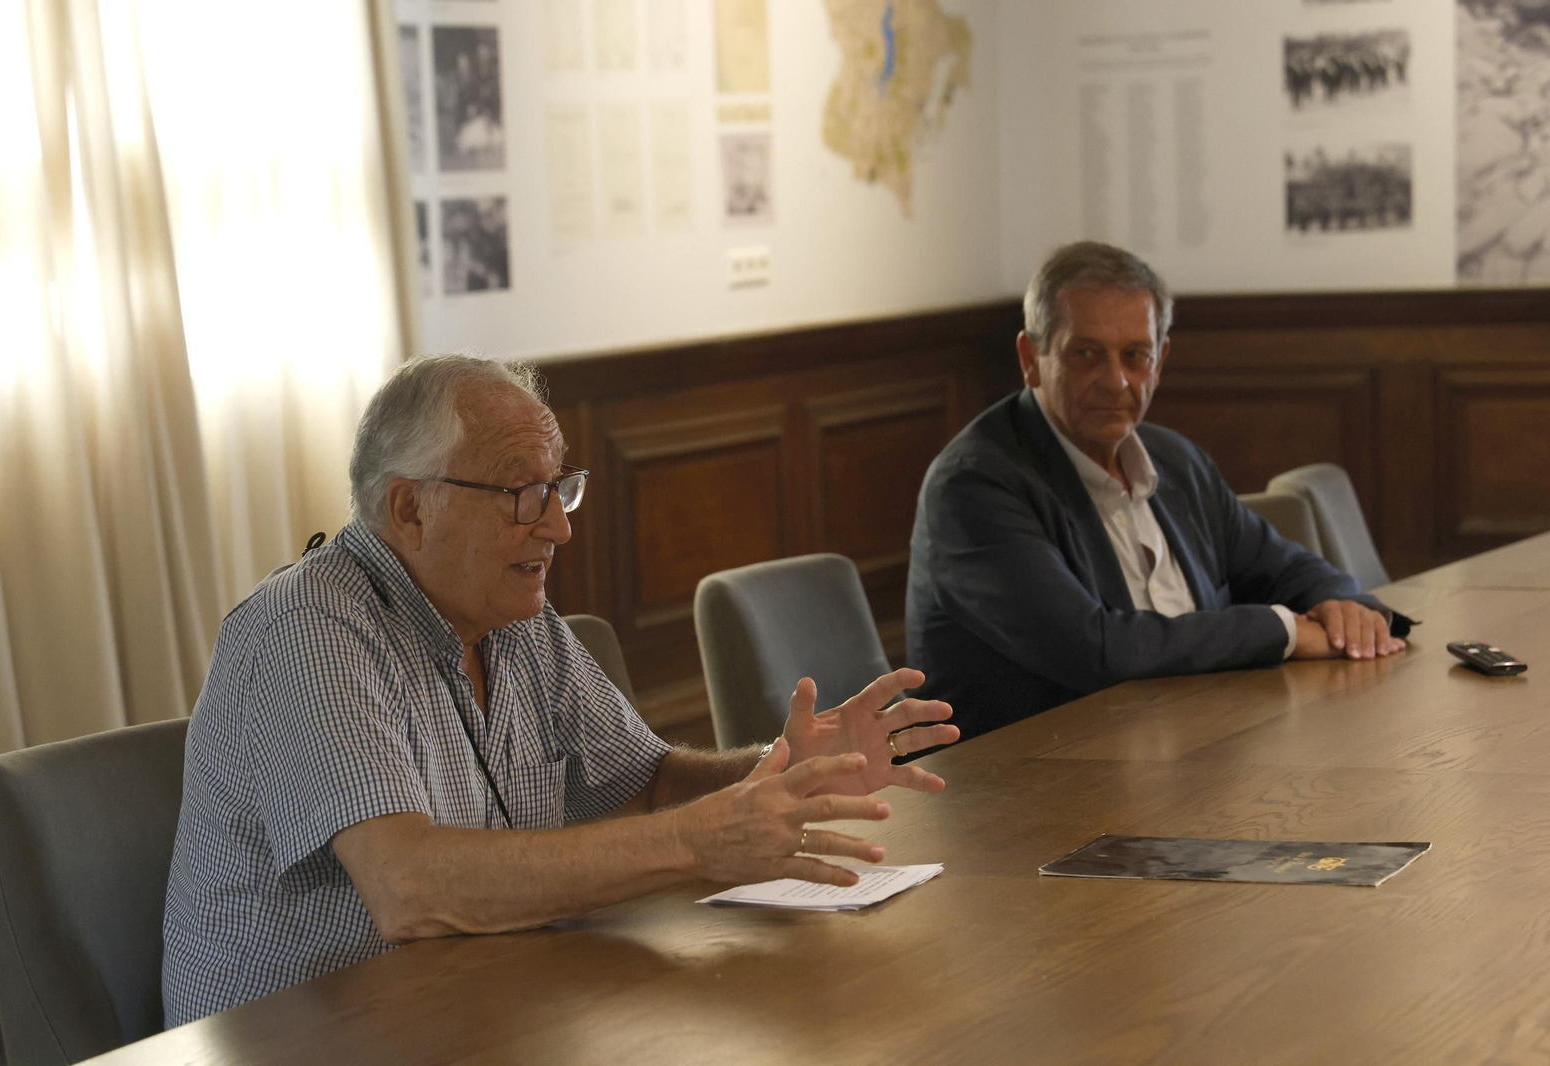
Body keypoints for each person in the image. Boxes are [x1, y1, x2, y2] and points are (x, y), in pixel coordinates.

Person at [163, 356, 957, 1025]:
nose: (558, 527)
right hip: (314, 1039)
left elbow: (646, 785)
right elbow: (409, 889)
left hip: (479, 1011)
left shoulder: (512, 617)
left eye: (559, 488)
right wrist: (695, 842)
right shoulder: (309, 630)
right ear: (410, 508)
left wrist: (784, 770)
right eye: (522, 495)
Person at [905, 240, 1411, 744]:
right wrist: (1286, 632)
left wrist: (1344, 607)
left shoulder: (1177, 461)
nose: (1116, 381)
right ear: (1031, 358)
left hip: (1196, 743)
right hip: (1030, 773)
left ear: (1160, 360)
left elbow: (1284, 566)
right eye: (1086, 354)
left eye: (1135, 356)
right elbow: (1095, 650)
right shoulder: (973, 486)